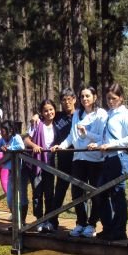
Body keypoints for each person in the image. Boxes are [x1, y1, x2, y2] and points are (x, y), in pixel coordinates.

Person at [51, 86, 107, 238]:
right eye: (82, 96)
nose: (85, 99)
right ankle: (81, 222)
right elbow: (71, 136)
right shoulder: (77, 114)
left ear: (94, 97)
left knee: (95, 193)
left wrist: (86, 133)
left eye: (87, 96)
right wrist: (61, 146)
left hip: (95, 159)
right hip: (78, 158)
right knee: (76, 192)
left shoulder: (101, 114)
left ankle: (92, 224)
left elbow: (103, 137)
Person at [89, 83, 128, 241]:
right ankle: (109, 227)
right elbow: (108, 138)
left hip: (119, 157)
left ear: (121, 98)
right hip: (108, 158)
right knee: (100, 192)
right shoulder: (110, 114)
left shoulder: (125, 114)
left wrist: (111, 145)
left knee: (118, 194)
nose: (110, 101)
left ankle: (119, 231)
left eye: (114, 98)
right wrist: (98, 144)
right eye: (108, 98)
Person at [23, 100, 58, 232]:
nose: (49, 112)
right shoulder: (37, 124)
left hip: (50, 163)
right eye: (45, 110)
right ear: (41, 113)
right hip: (36, 163)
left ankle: (49, 220)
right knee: (37, 193)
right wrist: (34, 146)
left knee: (49, 194)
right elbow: (26, 139)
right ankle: (39, 220)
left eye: (51, 109)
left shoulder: (57, 125)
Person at [49, 87, 78, 231]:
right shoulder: (58, 116)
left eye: (69, 99)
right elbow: (44, 115)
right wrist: (36, 117)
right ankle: (53, 221)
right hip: (62, 159)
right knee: (60, 190)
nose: (67, 102)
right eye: (64, 100)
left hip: (79, 159)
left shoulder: (80, 115)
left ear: (74, 100)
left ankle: (81, 223)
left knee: (78, 191)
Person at [0, 120, 26, 223]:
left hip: (19, 171)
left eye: (3, 132)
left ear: (9, 131)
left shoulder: (16, 137)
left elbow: (21, 146)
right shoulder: (3, 139)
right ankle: (16, 219)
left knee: (20, 197)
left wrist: (9, 148)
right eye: (1, 132)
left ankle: (19, 222)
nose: (2, 134)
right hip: (10, 171)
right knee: (10, 199)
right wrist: (0, 147)